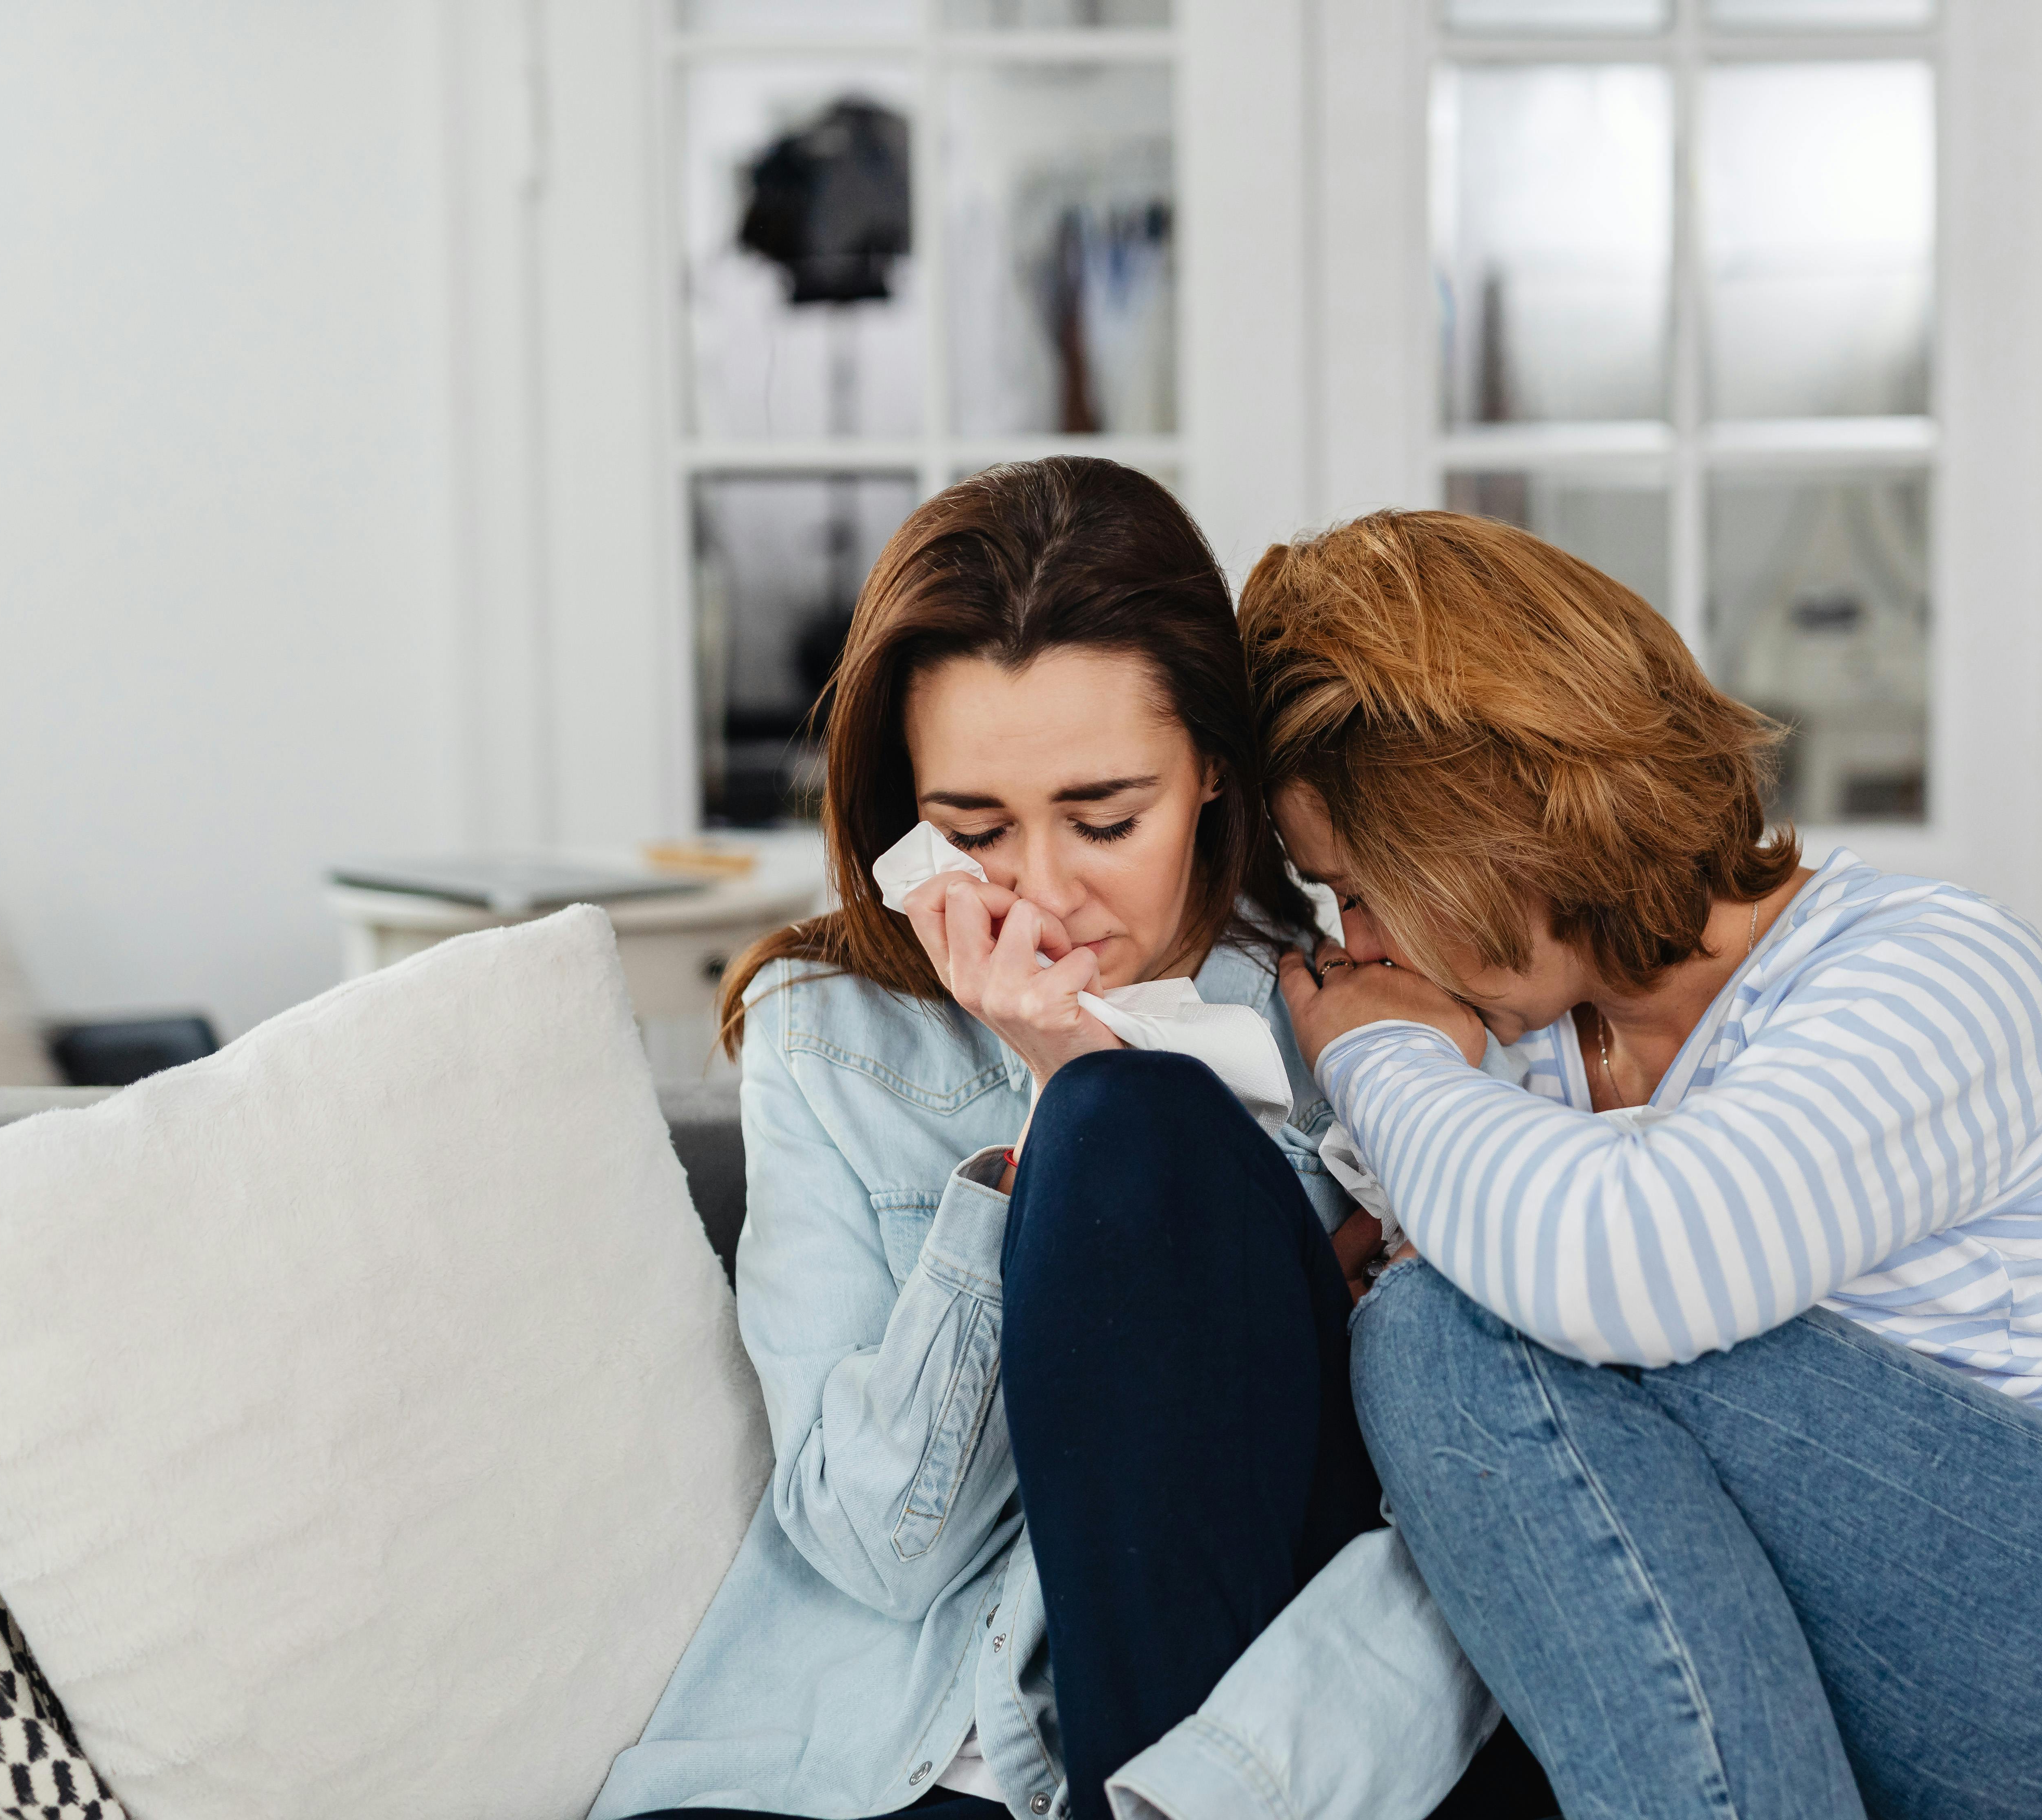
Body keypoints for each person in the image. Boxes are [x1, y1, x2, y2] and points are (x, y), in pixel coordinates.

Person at [1240, 509, 2042, 1820]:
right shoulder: (1514, 1056)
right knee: (1433, 1328)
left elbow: (1629, 1273)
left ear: (1485, 829)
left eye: (1364, 888)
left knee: (1453, 1321)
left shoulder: (1927, 972)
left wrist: (1381, 1059)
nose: (1357, 947)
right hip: (1903, 1734)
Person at [593, 462, 1531, 1820]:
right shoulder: (828, 1038)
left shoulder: (1373, 1029)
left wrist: (1108, 1109)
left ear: (1215, 768)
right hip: (862, 1763)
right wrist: (1044, 1123)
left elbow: (1485, 1502)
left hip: (1209, 1755)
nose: (1041, 895)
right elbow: (872, 1543)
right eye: (974, 831)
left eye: (1105, 821)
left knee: (1133, 1124)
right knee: (1104, 1119)